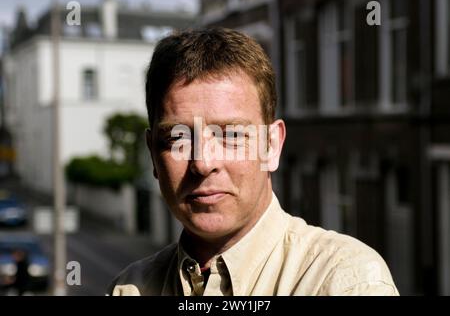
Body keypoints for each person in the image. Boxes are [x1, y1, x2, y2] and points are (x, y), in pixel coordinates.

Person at [108, 28, 399, 296]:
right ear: (152, 155)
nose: (202, 163)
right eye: (178, 138)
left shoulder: (345, 281)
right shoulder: (128, 289)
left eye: (231, 135)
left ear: (272, 146)